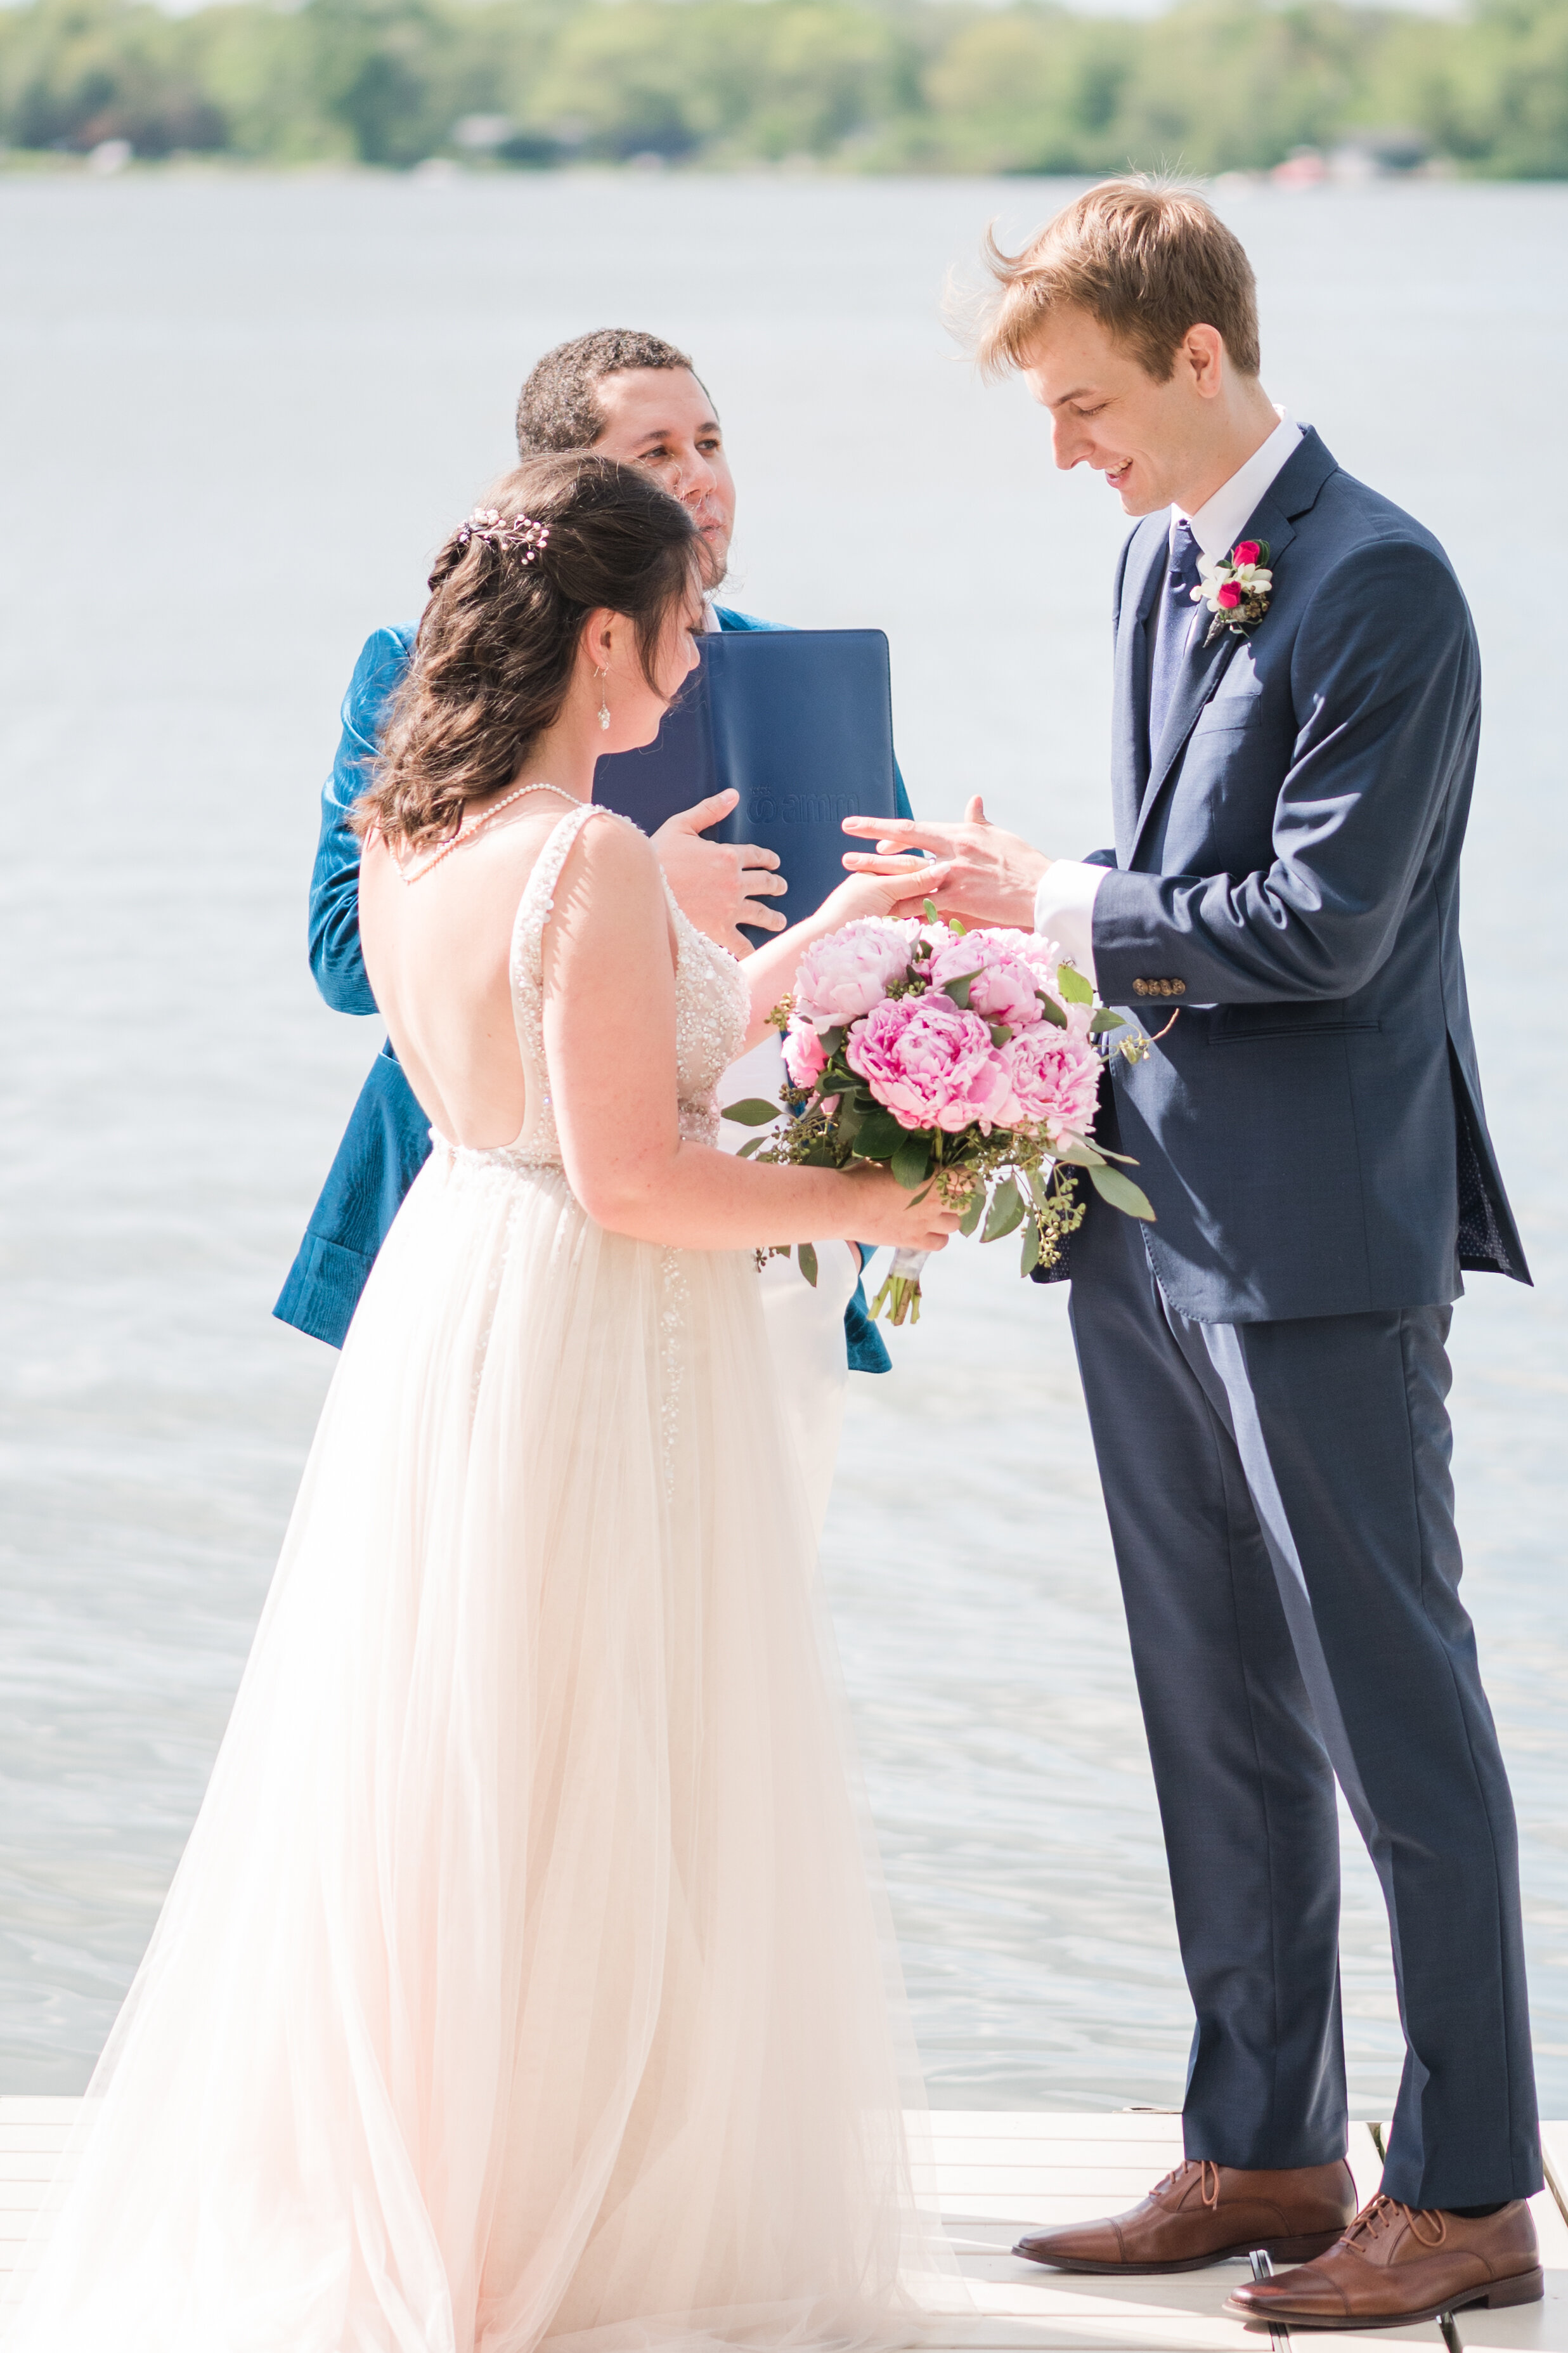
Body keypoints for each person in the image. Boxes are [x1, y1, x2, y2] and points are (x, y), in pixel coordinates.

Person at [3, 455, 961, 2353]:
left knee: (465, 1761)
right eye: (681, 629)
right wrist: (879, 1198)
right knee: (599, 1759)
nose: (693, 668)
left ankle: (467, 2188)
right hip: (594, 1323)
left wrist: (834, 948)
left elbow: (596, 1056)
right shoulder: (587, 852)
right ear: (601, 631)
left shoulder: (415, 828)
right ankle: (548, 2231)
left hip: (461, 1291)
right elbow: (634, 1176)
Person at [846, 181, 1544, 2333]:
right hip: (1140, 1216)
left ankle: (1469, 2190)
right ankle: (1262, 2142)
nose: (1068, 452)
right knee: (1211, 1708)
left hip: (1323, 1238)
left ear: (1199, 359)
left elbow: (1322, 930)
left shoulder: (1382, 583)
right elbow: (1167, 870)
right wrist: (1019, 915)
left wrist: (1048, 900)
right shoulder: (1166, 557)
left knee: (1385, 1714)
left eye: (1082, 406)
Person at [278, 329, 916, 1534]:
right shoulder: (423, 668)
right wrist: (626, 896)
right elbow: (342, 956)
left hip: (783, 1229)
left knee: (739, 1601)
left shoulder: (819, 674)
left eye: (713, 442)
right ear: (578, 498)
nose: (701, 477)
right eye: (658, 450)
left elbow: (877, 951)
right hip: (537, 1227)